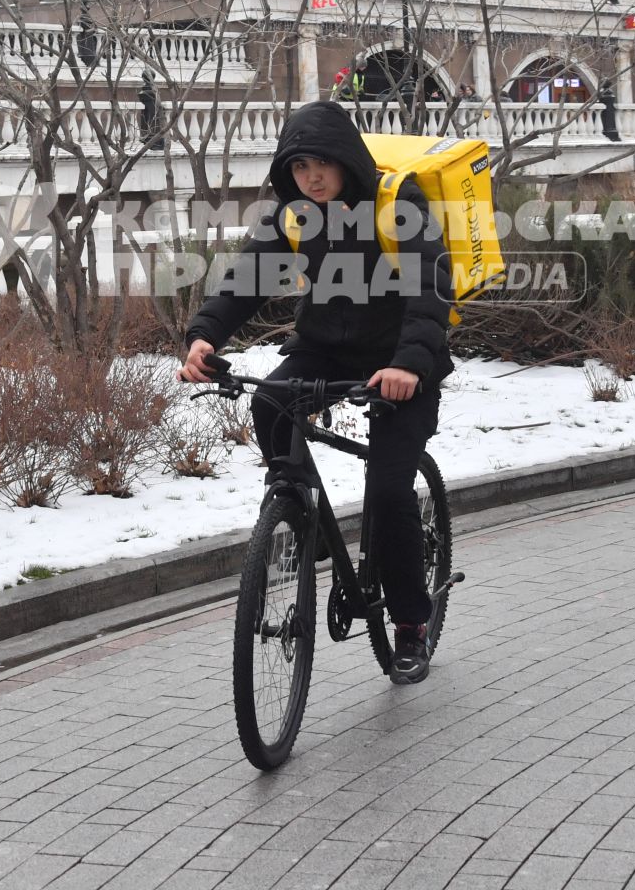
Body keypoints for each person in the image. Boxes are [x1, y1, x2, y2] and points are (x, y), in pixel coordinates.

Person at [179, 101, 453, 685]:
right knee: (269, 400)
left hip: (403, 360)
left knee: (386, 488)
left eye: (323, 162)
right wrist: (204, 337)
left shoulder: (397, 203)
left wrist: (408, 363)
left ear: (346, 160)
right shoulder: (297, 214)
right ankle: (300, 518)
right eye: (299, 166)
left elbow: (431, 288)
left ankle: (410, 623)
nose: (312, 176)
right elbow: (248, 279)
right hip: (326, 347)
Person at [138, 71, 164, 151]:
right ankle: (150, 136)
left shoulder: (152, 92)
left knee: (152, 120)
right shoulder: (153, 92)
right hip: (151, 123)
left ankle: (152, 137)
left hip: (153, 125)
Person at [598, 78, 620, 142]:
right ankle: (611, 131)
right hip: (608, 114)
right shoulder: (608, 93)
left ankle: (610, 131)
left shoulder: (604, 93)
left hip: (608, 116)